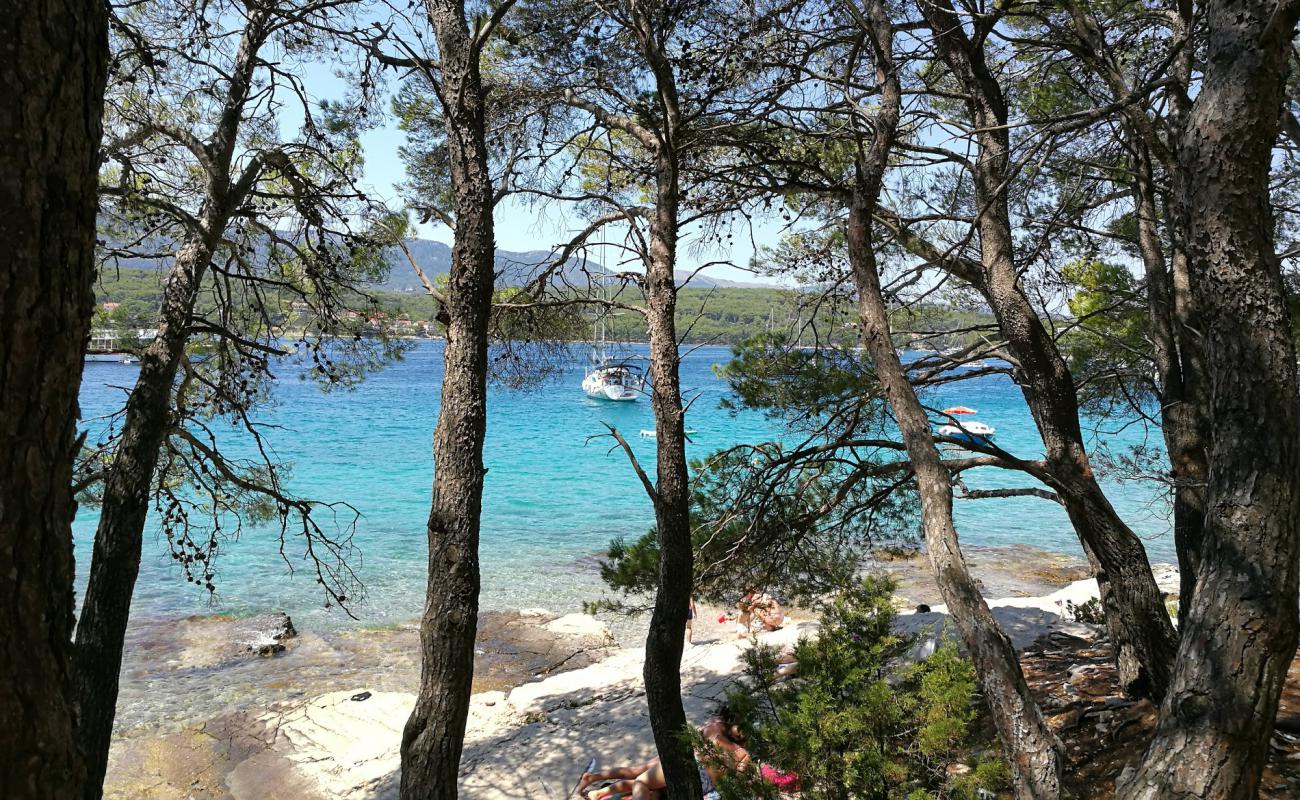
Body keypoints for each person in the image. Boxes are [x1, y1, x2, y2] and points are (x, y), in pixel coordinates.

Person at [574, 716, 750, 799]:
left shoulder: (717, 730)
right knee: (650, 786)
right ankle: (600, 789)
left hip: (690, 762)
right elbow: (740, 772)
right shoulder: (735, 748)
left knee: (641, 778)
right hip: (702, 778)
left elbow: (700, 741)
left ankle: (598, 783)